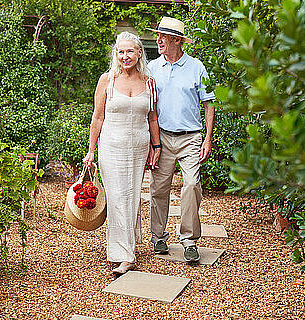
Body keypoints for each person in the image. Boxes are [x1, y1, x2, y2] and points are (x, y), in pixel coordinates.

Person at [83, 31, 161, 275]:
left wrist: (156, 146)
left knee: (132, 195)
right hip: (111, 146)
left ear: (139, 53)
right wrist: (90, 151)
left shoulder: (149, 81)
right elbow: (97, 118)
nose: (125, 56)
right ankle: (124, 255)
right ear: (115, 55)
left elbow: (152, 117)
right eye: (121, 51)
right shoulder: (107, 80)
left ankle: (128, 240)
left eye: (130, 51)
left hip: (138, 147)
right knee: (117, 197)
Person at [146, 17, 215, 263]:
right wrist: (151, 142)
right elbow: (148, 108)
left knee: (191, 185)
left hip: (191, 138)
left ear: (177, 40)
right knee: (158, 189)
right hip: (162, 138)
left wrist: (207, 138)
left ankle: (189, 240)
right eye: (158, 36)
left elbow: (208, 104)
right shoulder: (152, 68)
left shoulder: (197, 67)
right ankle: (159, 237)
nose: (158, 40)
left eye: (163, 37)